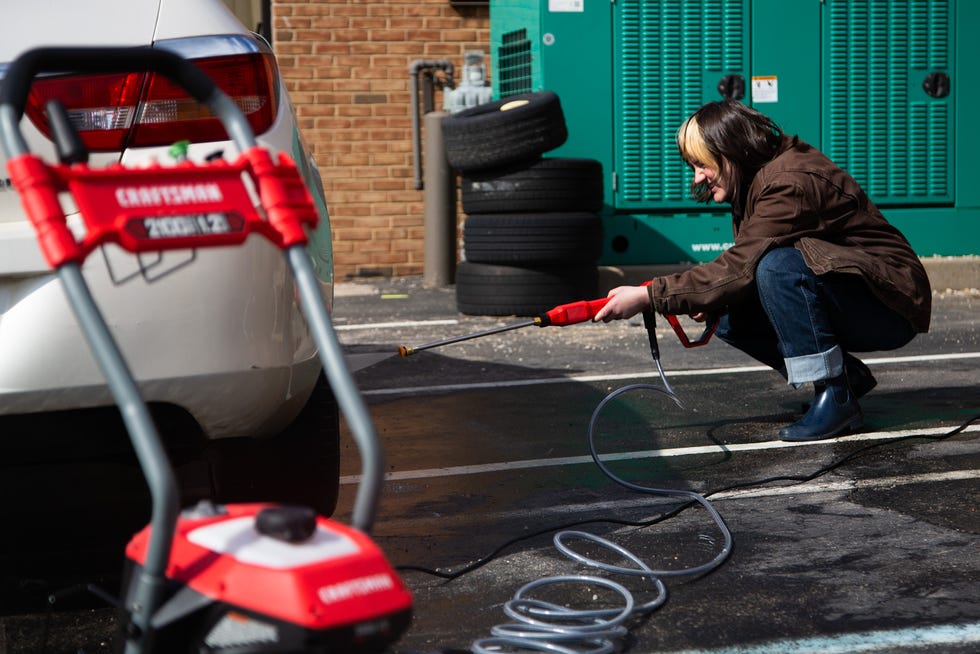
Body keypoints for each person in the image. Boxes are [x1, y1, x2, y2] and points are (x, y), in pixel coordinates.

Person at [593, 100, 931, 441]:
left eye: (702, 165)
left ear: (731, 150)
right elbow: (741, 270)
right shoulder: (758, 178)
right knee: (726, 311)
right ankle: (845, 379)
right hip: (861, 293)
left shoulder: (788, 183)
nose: (697, 177)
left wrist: (649, 296)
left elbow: (741, 266)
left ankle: (836, 395)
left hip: (891, 303)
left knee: (777, 268)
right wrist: (705, 298)